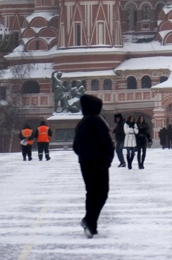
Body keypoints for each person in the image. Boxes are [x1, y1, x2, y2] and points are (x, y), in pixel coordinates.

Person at [73, 93, 114, 239]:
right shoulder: (98, 121)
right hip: (99, 162)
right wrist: (108, 157)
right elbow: (106, 141)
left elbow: (75, 146)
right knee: (102, 192)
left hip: (86, 162)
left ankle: (91, 224)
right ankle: (89, 221)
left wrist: (84, 155)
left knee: (91, 192)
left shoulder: (81, 123)